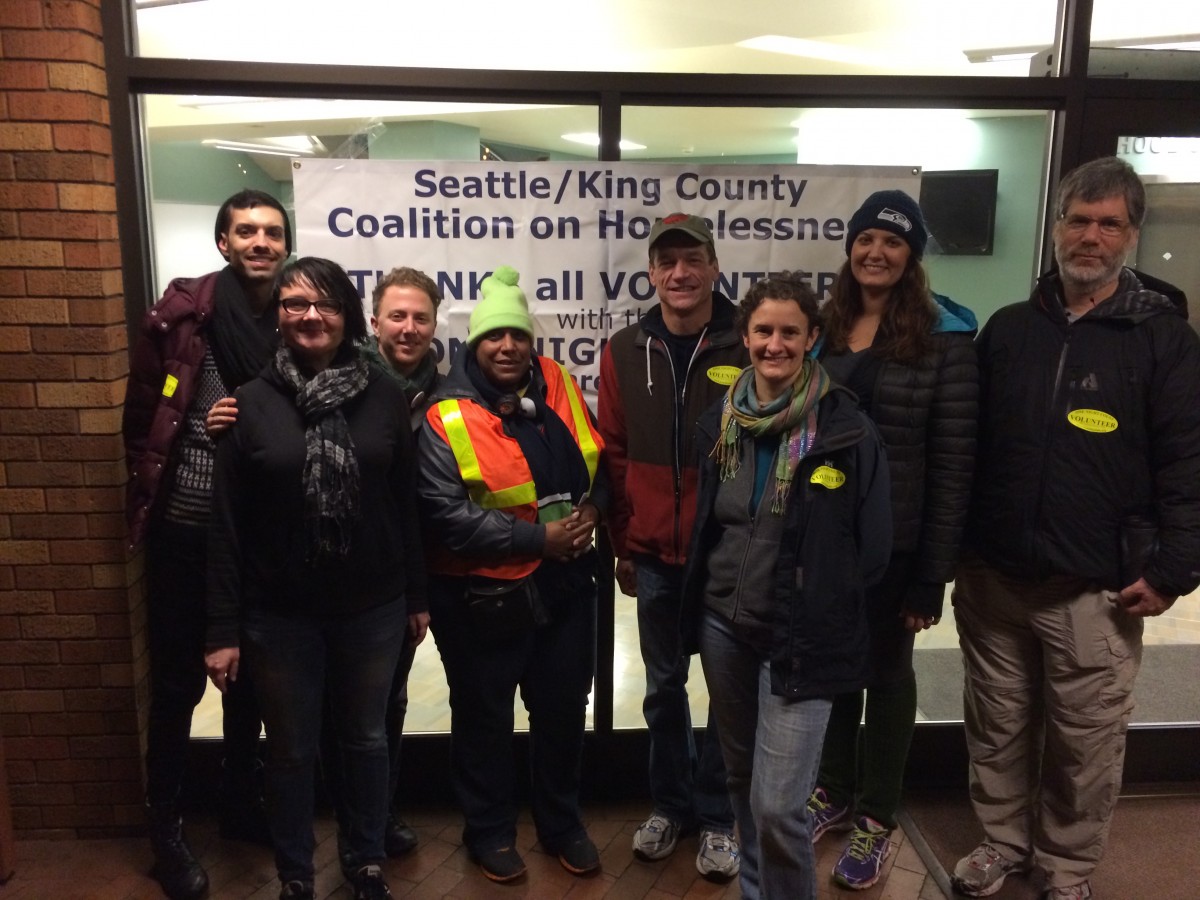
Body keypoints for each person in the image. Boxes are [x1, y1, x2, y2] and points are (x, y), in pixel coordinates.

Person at [951, 156, 1200, 900]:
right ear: (1057, 226)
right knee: (995, 728)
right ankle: (1002, 842)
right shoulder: (1007, 332)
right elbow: (970, 450)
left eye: (1108, 223)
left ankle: (1065, 869)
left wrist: (1173, 570)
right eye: (1078, 220)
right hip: (995, 580)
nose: (1090, 236)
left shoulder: (1166, 342)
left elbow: (1189, 464)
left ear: (1130, 235)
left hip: (1097, 589)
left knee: (1084, 746)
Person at [204, 257, 428, 900]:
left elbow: (404, 504)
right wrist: (222, 628)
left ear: (348, 317)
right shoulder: (246, 404)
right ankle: (297, 873)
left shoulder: (386, 396)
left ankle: (364, 861)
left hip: (373, 609)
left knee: (364, 740)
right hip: (278, 616)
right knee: (292, 751)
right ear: (279, 316)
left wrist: (416, 595)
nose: (310, 316)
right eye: (295, 304)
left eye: (325, 304)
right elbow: (226, 527)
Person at [682, 273, 892, 900]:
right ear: (745, 336)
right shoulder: (723, 421)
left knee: (779, 804)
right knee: (744, 782)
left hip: (803, 636)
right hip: (725, 626)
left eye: (790, 332)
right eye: (763, 331)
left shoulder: (846, 431)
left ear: (813, 338)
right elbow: (708, 523)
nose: (775, 344)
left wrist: (821, 595)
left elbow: (874, 549)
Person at [807, 190, 979, 890]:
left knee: (887, 673)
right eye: (866, 239)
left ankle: (878, 815)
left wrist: (928, 577)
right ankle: (835, 789)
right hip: (826, 542)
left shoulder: (945, 339)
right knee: (836, 668)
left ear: (912, 257)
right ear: (851, 249)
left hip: (898, 546)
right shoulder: (824, 329)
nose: (876, 252)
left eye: (894, 242)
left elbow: (955, 464)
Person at [417, 265, 606, 884]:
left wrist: (593, 508)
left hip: (565, 587)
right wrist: (539, 539)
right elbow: (447, 516)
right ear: (474, 345)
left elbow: (592, 454)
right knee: (485, 718)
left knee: (560, 711)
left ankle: (561, 825)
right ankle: (490, 833)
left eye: (517, 336)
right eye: (494, 337)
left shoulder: (555, 383)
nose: (507, 347)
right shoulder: (445, 414)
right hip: (481, 596)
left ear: (532, 342)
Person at [122, 188, 286, 899]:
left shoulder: (296, 314)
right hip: (187, 526)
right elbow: (143, 418)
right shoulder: (186, 316)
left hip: (264, 530)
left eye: (272, 233)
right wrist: (198, 429)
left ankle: (241, 805)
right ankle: (168, 831)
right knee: (180, 686)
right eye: (246, 231)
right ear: (223, 242)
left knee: (252, 677)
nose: (260, 242)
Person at [597, 213, 743, 879]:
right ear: (652, 273)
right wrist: (625, 544)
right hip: (654, 555)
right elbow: (615, 454)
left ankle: (718, 816)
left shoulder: (751, 341)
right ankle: (670, 805)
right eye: (666, 263)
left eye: (692, 260)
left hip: (728, 554)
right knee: (662, 688)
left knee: (726, 692)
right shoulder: (625, 348)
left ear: (714, 266)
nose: (679, 274)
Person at [320, 266, 443, 865]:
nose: (409, 328)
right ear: (373, 321)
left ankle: (378, 813)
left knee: (387, 704)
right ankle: (351, 819)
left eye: (421, 317)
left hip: (407, 571)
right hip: (348, 576)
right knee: (344, 711)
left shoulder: (446, 390)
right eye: (397, 316)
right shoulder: (343, 383)